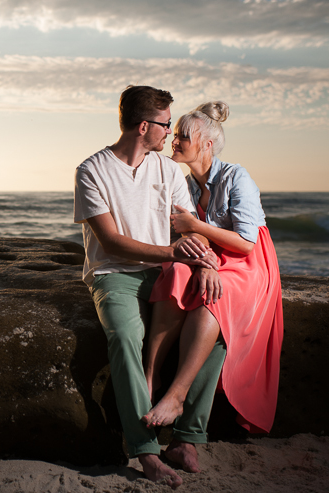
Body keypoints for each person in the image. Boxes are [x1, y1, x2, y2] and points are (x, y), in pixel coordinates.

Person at [74, 85, 226, 489]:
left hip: (167, 274)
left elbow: (191, 228)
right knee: (125, 336)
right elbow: (110, 242)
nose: (170, 133)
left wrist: (205, 260)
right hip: (115, 275)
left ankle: (187, 436)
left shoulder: (166, 170)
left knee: (217, 328)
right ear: (145, 126)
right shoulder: (92, 170)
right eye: (165, 124)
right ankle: (145, 450)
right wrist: (172, 253)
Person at [142, 101, 284, 472]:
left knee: (213, 305)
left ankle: (176, 398)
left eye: (182, 136)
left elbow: (247, 243)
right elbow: (187, 235)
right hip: (213, 257)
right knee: (173, 274)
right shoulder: (186, 182)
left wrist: (198, 230)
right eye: (174, 135)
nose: (175, 141)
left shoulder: (237, 177)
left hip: (248, 264)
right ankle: (149, 383)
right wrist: (206, 262)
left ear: (206, 144)